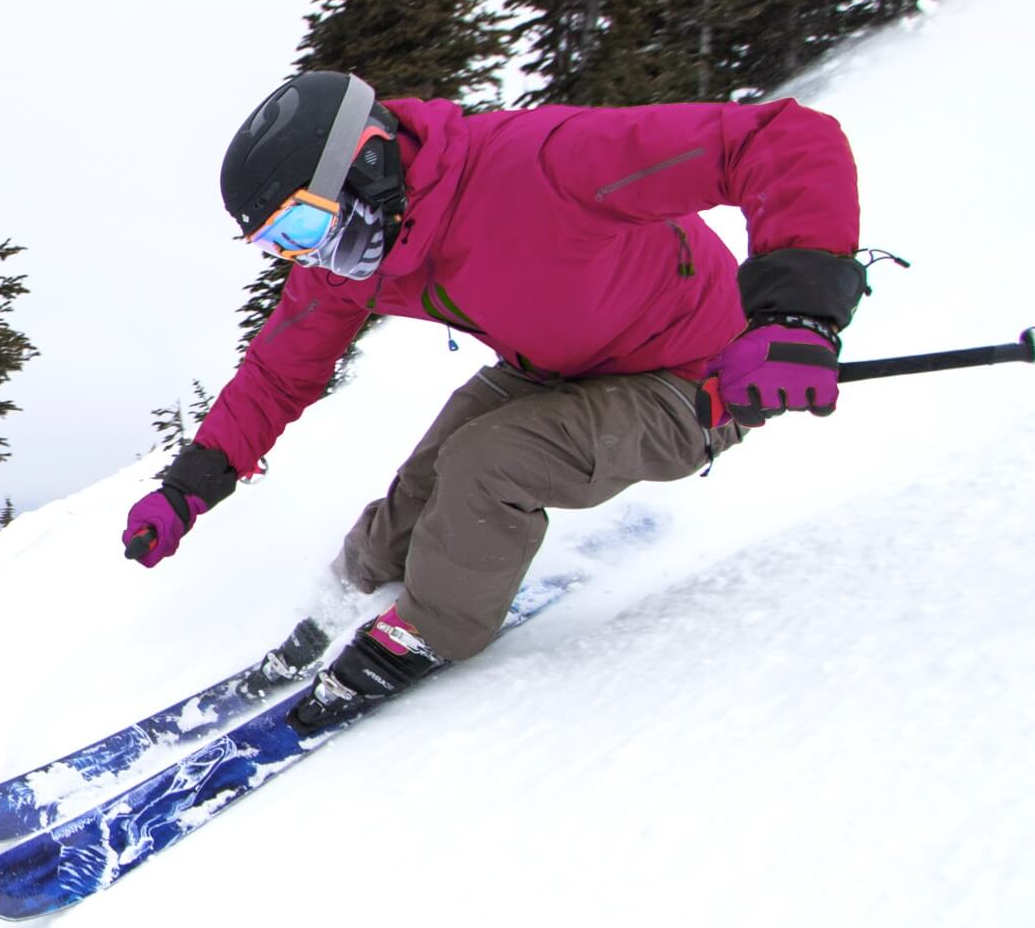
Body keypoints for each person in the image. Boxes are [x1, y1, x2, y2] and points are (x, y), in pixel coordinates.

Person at [121, 70, 867, 735]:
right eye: (282, 244)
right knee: (428, 474)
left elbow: (781, 139)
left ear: (369, 159)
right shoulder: (359, 253)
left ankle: (435, 628)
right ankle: (351, 596)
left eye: (307, 226)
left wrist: (795, 316)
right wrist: (189, 487)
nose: (311, 256)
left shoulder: (542, 161)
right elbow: (279, 372)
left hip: (696, 380)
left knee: (487, 462)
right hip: (559, 365)